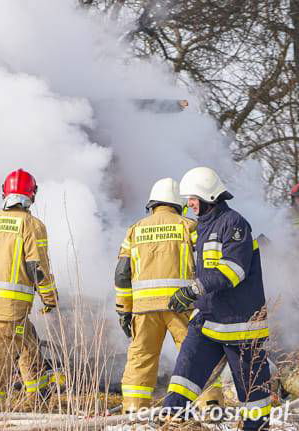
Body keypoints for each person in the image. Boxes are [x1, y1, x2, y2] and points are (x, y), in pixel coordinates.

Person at [164, 167, 271, 430]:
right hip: (209, 320)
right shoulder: (202, 227)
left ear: (207, 197)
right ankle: (174, 420)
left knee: (252, 391)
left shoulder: (234, 224)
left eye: (192, 198)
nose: (188, 204)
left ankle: (256, 426)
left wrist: (192, 290)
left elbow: (233, 271)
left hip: (240, 325)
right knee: (184, 374)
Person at [114, 178, 221, 412]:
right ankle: (210, 406)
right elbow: (207, 263)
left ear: (152, 204)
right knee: (197, 355)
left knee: (141, 359)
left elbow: (122, 273)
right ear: (177, 205)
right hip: (182, 305)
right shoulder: (189, 226)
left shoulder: (135, 229)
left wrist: (124, 310)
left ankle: (134, 411)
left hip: (143, 309)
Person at [0, 169, 61, 409]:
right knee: (1, 345)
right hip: (14, 301)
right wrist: (49, 298)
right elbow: (38, 267)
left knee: (27, 339)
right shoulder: (32, 224)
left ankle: (40, 391)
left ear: (4, 193)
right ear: (33, 195)